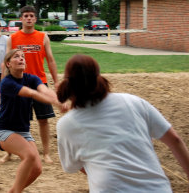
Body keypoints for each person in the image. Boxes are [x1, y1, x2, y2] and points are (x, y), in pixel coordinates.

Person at [56, 54, 189, 192]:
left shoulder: (66, 124)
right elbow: (175, 140)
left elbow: (74, 166)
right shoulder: (132, 101)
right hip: (157, 188)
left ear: (68, 84)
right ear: (99, 78)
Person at [0, 49, 65, 193]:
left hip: (23, 132)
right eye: (16, 57)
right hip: (4, 130)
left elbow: (44, 90)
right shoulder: (6, 83)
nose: (21, 59)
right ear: (8, 64)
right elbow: (31, 93)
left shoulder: (31, 78)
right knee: (30, 156)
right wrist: (57, 104)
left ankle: (13, 191)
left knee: (37, 169)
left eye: (23, 57)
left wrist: (57, 99)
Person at [1, 5, 59, 164]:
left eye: (31, 16)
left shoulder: (43, 36)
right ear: (21, 18)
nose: (28, 18)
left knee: (43, 119)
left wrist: (57, 82)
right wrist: (2, 84)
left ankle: (46, 153)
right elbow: (5, 62)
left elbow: (51, 61)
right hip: (17, 84)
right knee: (13, 120)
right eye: (25, 16)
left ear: (35, 19)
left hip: (40, 82)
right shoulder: (12, 38)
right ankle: (9, 153)